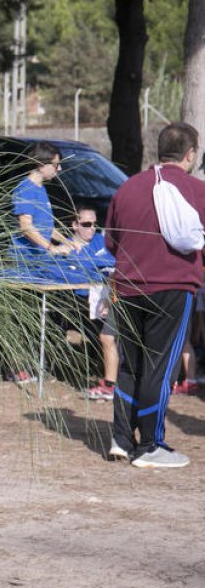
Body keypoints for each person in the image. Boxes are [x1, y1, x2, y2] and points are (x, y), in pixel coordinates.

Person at [104, 121, 205, 468]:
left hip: (128, 288)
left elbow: (111, 243)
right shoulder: (196, 191)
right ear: (190, 154)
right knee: (160, 369)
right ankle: (150, 444)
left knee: (129, 365)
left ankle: (120, 438)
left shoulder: (127, 189)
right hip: (173, 289)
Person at [66, 206, 119, 402]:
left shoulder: (102, 241)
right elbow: (69, 274)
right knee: (105, 338)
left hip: (105, 298)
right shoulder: (66, 246)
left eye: (95, 224)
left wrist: (95, 268)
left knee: (107, 338)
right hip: (76, 302)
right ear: (74, 225)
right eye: (86, 224)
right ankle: (109, 382)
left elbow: (113, 266)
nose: (92, 229)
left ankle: (110, 383)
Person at [11, 141, 79, 264]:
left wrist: (68, 242)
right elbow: (26, 226)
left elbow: (47, 228)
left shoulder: (40, 188)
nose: (59, 168)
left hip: (40, 259)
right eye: (55, 165)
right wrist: (51, 248)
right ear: (41, 164)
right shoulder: (26, 189)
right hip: (26, 262)